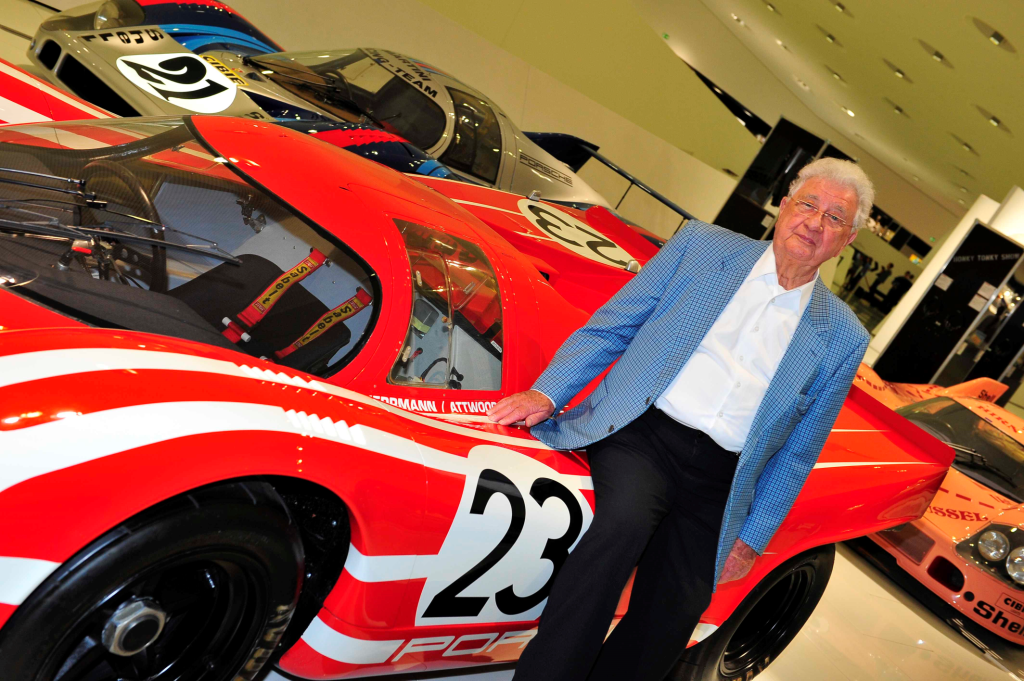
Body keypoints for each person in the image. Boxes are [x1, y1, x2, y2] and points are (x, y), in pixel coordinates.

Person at [488, 158, 873, 681]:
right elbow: (612, 328)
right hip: (644, 436)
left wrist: (754, 535)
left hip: (723, 480)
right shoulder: (701, 247)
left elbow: (801, 449)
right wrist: (548, 393)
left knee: (676, 612)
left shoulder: (843, 335)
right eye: (808, 204)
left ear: (846, 240)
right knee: (618, 529)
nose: (814, 222)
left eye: (834, 217)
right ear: (783, 207)